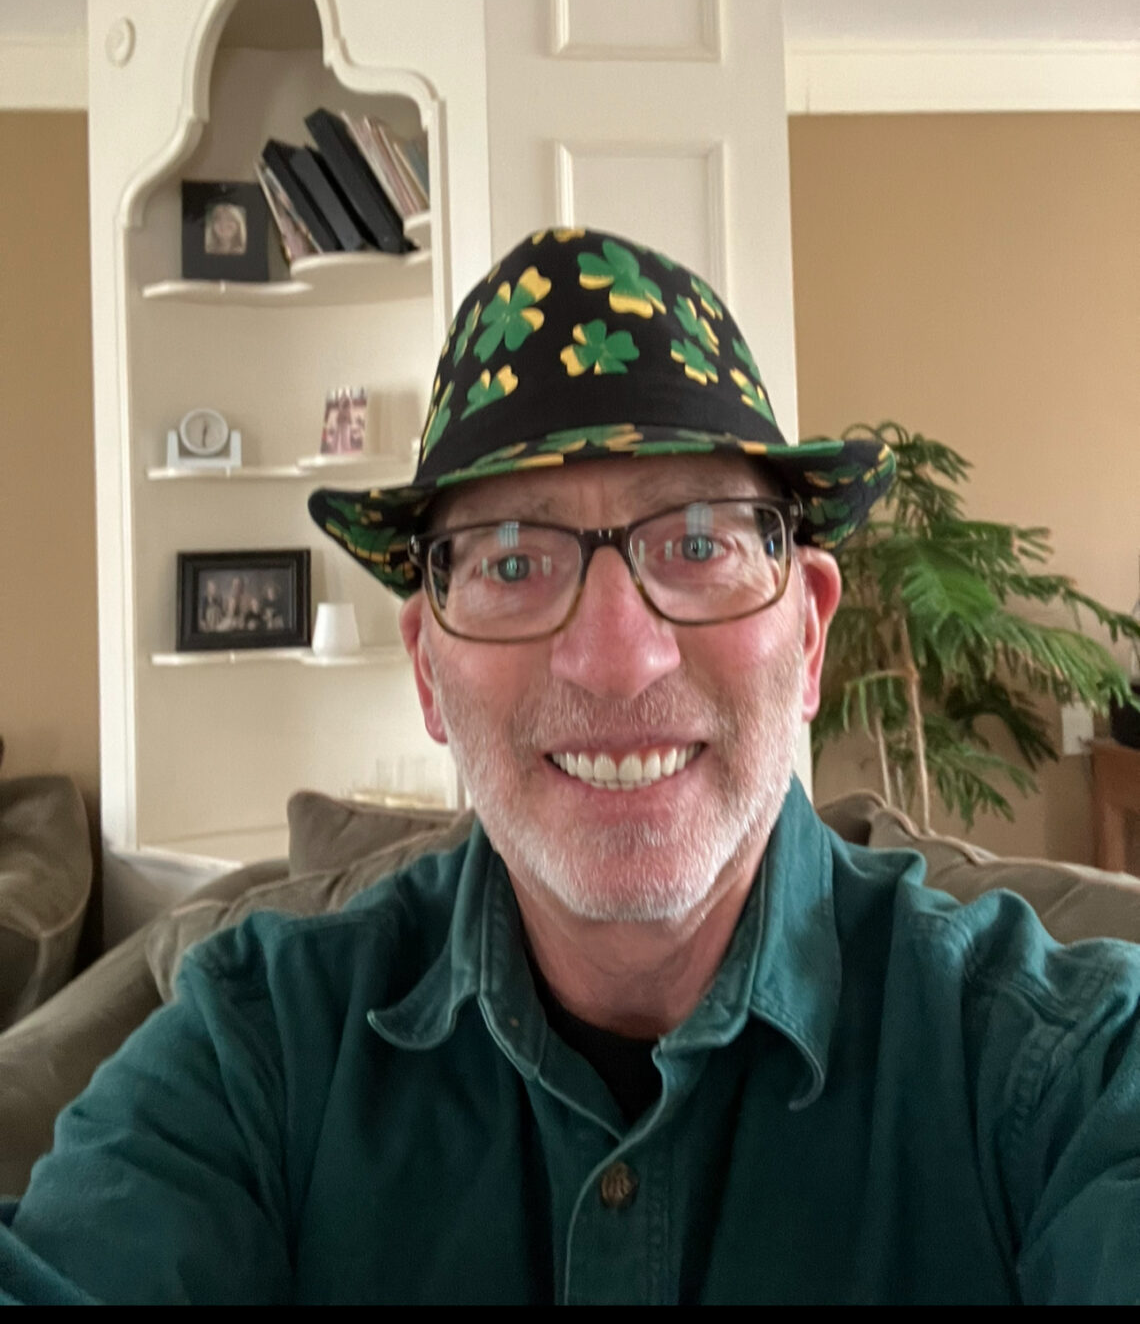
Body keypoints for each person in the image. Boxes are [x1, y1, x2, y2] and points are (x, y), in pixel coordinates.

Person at [1, 228, 1137, 1304]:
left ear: (808, 635)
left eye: (698, 542)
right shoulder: (256, 1054)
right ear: (428, 671)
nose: (615, 658)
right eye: (512, 562)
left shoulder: (1056, 1068)